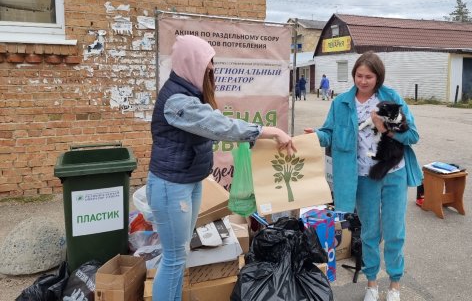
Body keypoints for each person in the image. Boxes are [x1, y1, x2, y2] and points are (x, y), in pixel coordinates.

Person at [147, 35, 295, 301]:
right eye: (207, 64)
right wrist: (267, 131)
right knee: (174, 258)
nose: (212, 70)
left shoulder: (188, 95)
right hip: (172, 187)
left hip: (187, 182)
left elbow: (214, 126)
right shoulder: (177, 101)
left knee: (180, 255)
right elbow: (221, 127)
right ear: (191, 63)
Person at [305, 51, 422, 301]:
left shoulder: (391, 98)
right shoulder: (342, 103)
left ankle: (394, 285)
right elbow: (329, 134)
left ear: (378, 77)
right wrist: (314, 135)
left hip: (394, 173)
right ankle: (371, 283)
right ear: (354, 76)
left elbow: (413, 136)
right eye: (359, 75)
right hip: (362, 177)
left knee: (394, 231)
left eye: (369, 76)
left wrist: (386, 130)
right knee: (369, 232)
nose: (363, 81)